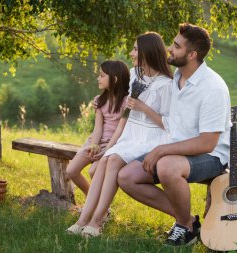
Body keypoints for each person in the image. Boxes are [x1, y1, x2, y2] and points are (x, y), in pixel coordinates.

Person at [118, 23, 231, 247]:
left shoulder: (213, 88)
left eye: (176, 46)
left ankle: (184, 228)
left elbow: (208, 142)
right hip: (176, 149)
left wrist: (161, 150)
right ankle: (187, 221)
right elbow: (170, 124)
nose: (169, 48)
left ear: (192, 54)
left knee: (167, 166)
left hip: (212, 156)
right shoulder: (178, 77)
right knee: (126, 177)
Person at [67, 32, 173, 237]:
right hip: (130, 136)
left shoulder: (166, 85)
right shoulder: (134, 74)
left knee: (112, 159)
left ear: (147, 52)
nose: (131, 53)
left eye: (135, 49)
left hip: (150, 139)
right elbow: (125, 110)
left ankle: (96, 223)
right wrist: (109, 142)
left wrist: (144, 108)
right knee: (106, 160)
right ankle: (82, 220)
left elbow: (169, 125)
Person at [66, 60, 130, 196]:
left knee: (93, 171)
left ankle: (103, 209)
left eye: (102, 75)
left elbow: (121, 131)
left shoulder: (126, 103)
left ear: (115, 79)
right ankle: (91, 199)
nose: (98, 78)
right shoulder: (99, 100)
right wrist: (94, 144)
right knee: (71, 170)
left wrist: (106, 150)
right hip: (96, 140)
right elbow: (98, 127)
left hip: (114, 144)